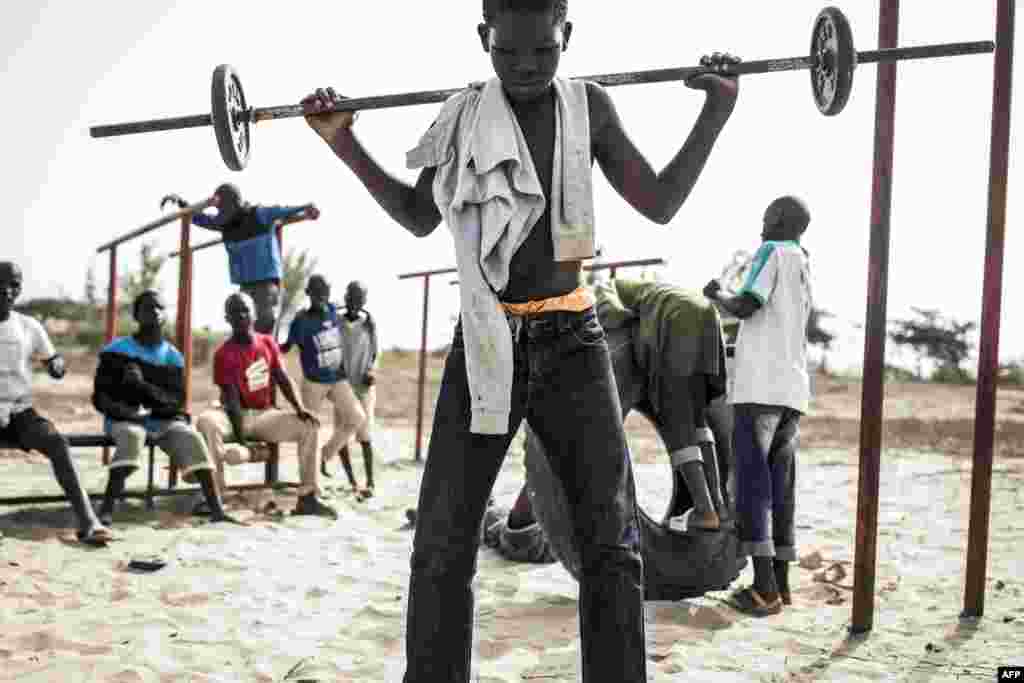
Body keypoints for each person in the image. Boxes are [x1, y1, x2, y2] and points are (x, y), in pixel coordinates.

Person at [302, 1, 739, 679]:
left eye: (544, 50)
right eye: (508, 53)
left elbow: (659, 202)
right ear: (484, 38)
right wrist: (342, 141)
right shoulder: (464, 116)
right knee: (442, 543)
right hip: (486, 342)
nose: (527, 67)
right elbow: (419, 217)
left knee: (613, 544)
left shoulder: (589, 108)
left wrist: (716, 115)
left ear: (567, 36)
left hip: (574, 337)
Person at [703, 195, 813, 616]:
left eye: (767, 215)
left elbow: (748, 304)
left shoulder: (772, 251)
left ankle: (763, 590)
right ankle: (781, 585)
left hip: (760, 389)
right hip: (792, 390)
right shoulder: (804, 262)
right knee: (780, 486)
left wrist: (718, 295)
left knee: (752, 485)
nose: (762, 224)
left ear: (781, 220)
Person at [92, 290, 242, 526]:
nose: (154, 312)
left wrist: (141, 386)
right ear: (136, 315)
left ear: (164, 315)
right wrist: (127, 412)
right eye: (147, 308)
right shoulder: (116, 350)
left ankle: (216, 509)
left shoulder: (173, 357)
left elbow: (174, 403)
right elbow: (100, 397)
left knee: (191, 436)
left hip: (162, 420)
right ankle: (106, 510)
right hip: (124, 418)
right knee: (132, 436)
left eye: (159, 308)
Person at [196, 292, 337, 519]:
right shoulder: (224, 353)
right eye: (235, 312)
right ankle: (216, 496)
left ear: (253, 314)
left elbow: (282, 378)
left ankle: (308, 497)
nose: (241, 315)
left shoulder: (267, 343)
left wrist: (300, 409)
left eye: (245, 310)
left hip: (264, 415)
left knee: (310, 426)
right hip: (234, 415)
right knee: (206, 421)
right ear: (227, 318)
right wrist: (242, 440)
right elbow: (231, 399)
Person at [0, 262, 113, 545]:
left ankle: (88, 522)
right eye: (1, 282)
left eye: (14, 284)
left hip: (19, 411)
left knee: (57, 443)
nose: (6, 289)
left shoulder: (29, 327)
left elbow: (52, 358)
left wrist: (57, 365)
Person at [162, 185, 320, 335]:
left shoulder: (259, 214)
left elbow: (284, 210)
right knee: (243, 333)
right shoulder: (224, 224)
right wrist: (181, 203)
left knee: (261, 331)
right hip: (245, 286)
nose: (223, 217)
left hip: (265, 284)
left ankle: (266, 358)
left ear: (235, 206)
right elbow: (199, 219)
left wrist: (306, 209)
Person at [279, 274, 359, 489]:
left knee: (356, 417)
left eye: (325, 291)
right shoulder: (301, 320)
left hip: (337, 379)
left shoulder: (333, 310)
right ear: (309, 293)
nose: (321, 295)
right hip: (314, 382)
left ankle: (326, 454)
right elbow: (286, 348)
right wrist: (269, 345)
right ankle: (310, 484)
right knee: (310, 431)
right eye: (316, 291)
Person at [331, 280, 378, 499]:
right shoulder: (336, 321)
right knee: (341, 433)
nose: (354, 302)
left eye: (359, 299)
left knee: (365, 434)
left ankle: (370, 482)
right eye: (351, 297)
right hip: (342, 386)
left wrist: (371, 371)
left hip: (363, 386)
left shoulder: (369, 324)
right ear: (346, 297)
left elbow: (375, 354)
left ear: (364, 301)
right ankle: (352, 482)